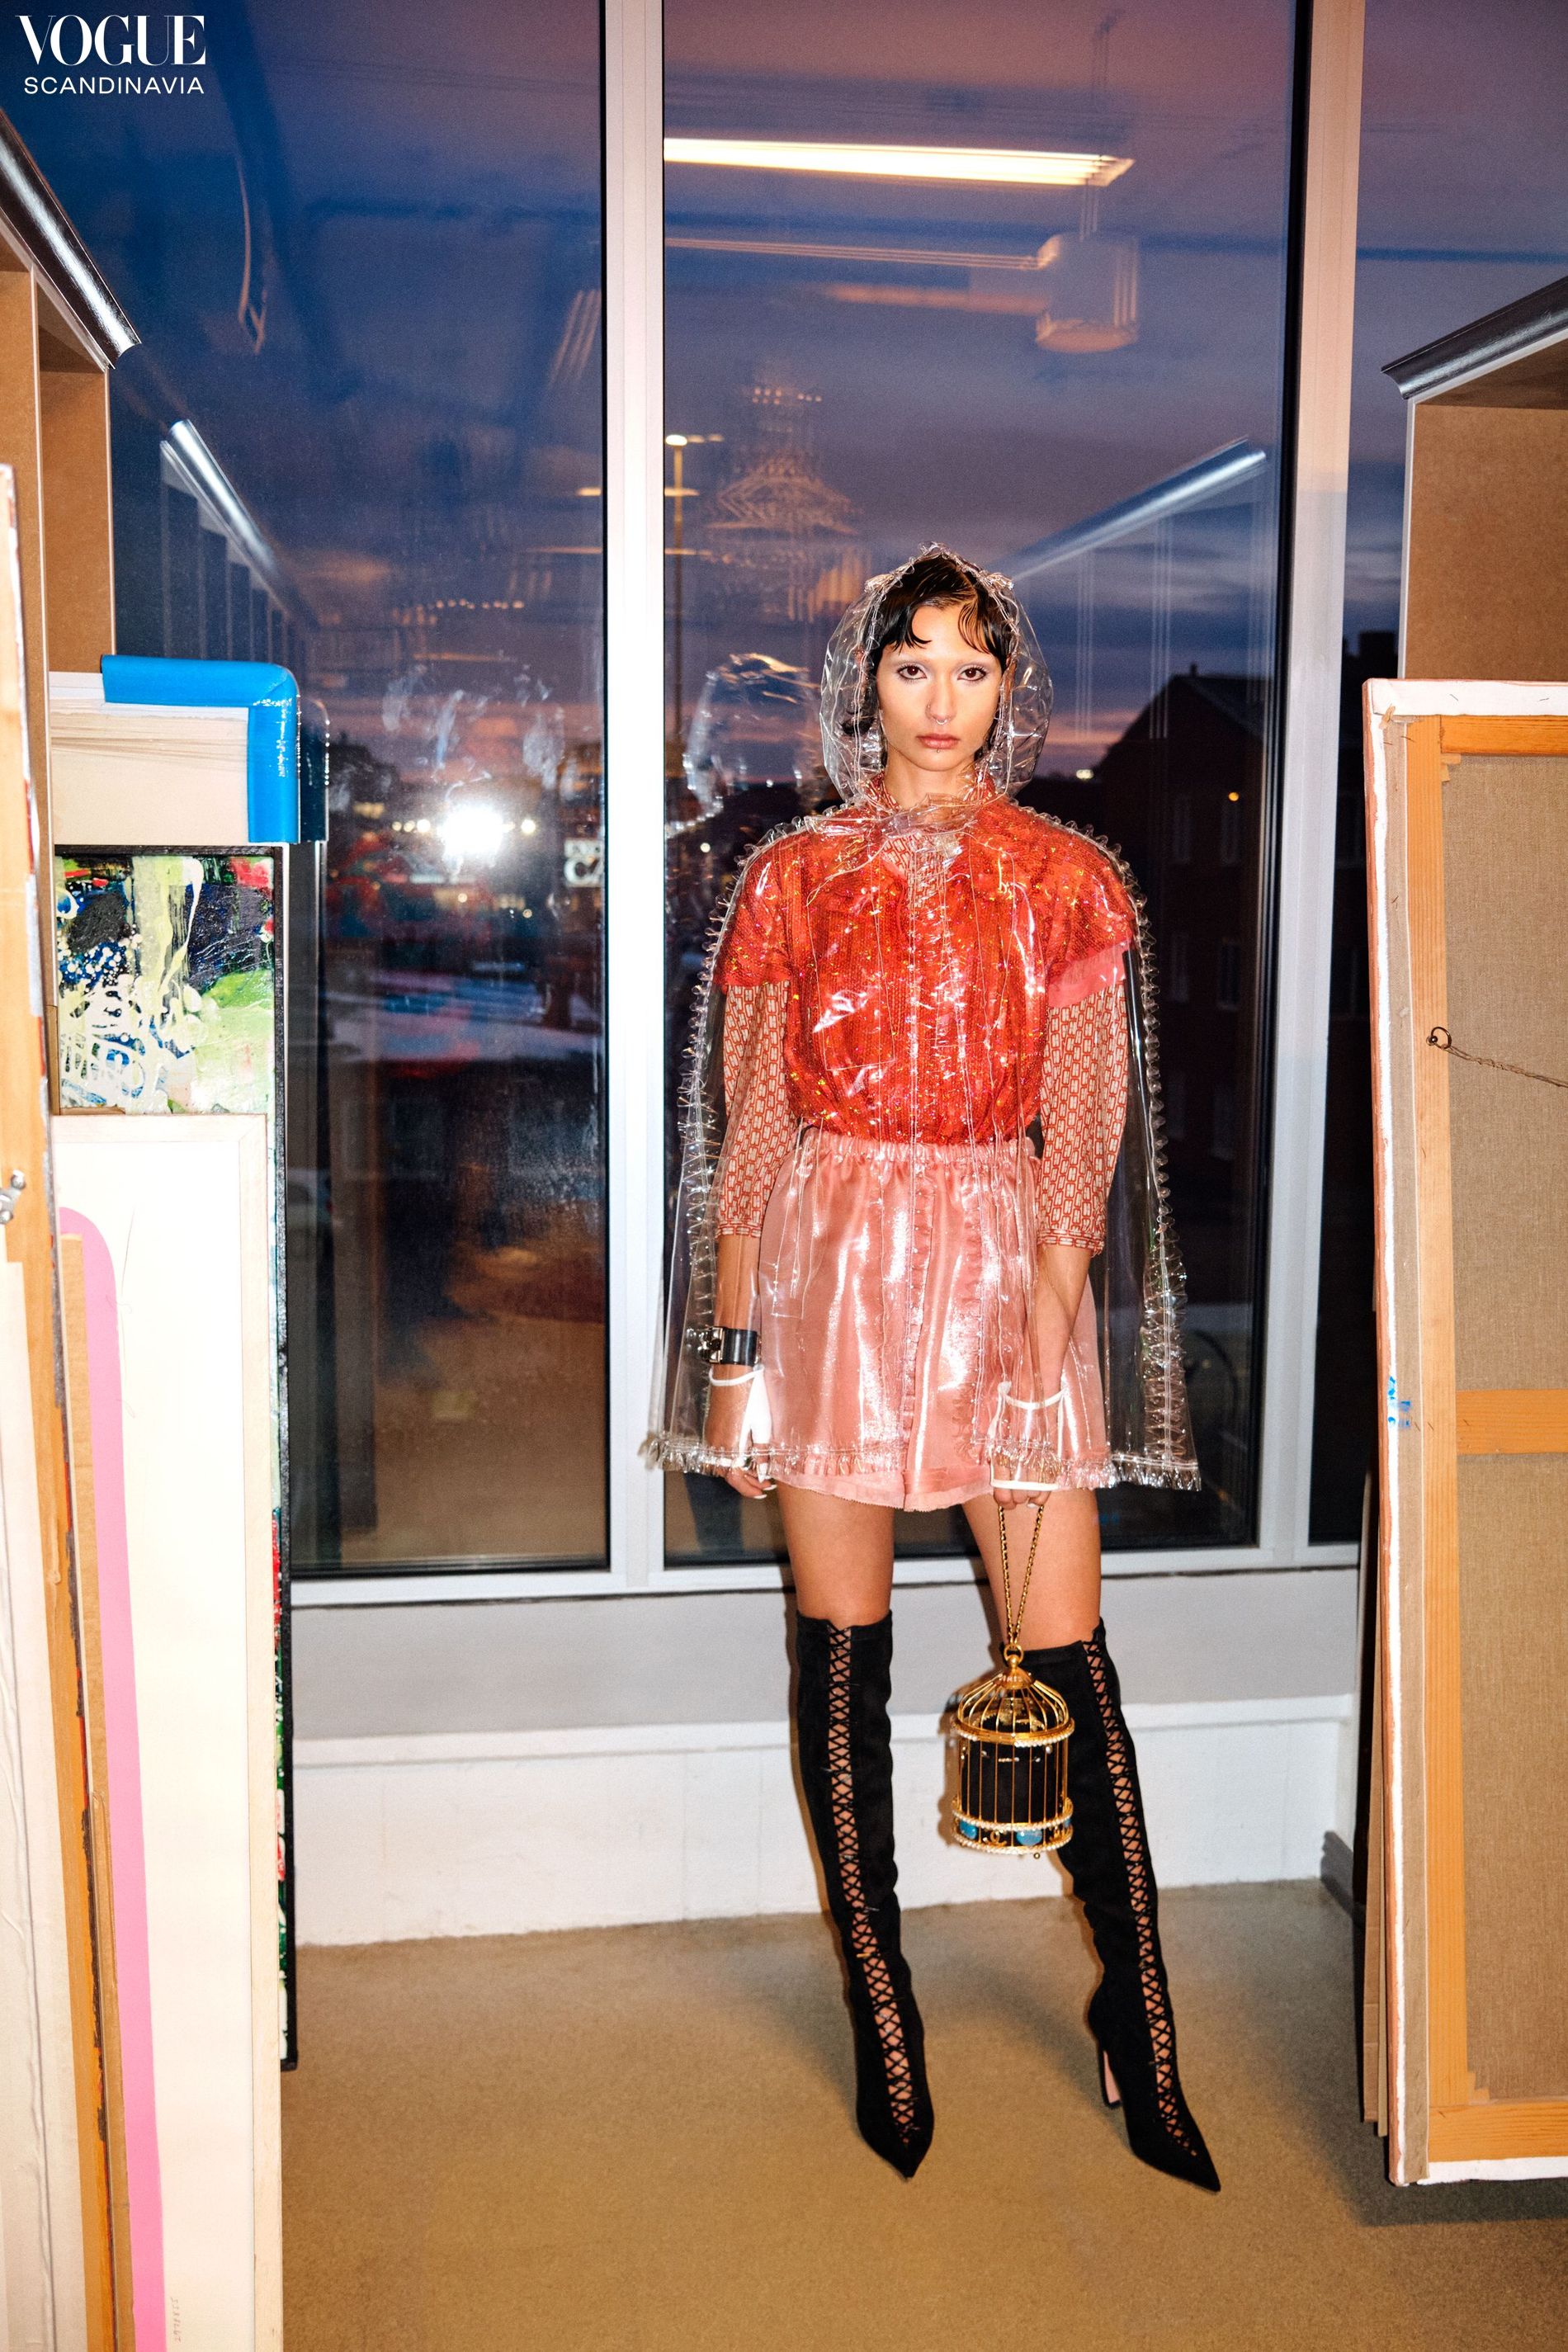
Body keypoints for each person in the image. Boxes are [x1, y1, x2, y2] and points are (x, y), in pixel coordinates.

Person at [647, 548, 1216, 2192]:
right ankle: (883, 2016)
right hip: (824, 1271)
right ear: (867, 685)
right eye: (913, 665)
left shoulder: (1069, 879)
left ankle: (1140, 2021)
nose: (941, 699)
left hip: (998, 1273)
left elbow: (1083, 1127)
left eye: (972, 667)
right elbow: (750, 1138)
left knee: (1072, 1661)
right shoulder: (789, 877)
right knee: (842, 1657)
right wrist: (732, 1361)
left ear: (1007, 690)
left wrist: (1047, 1312)